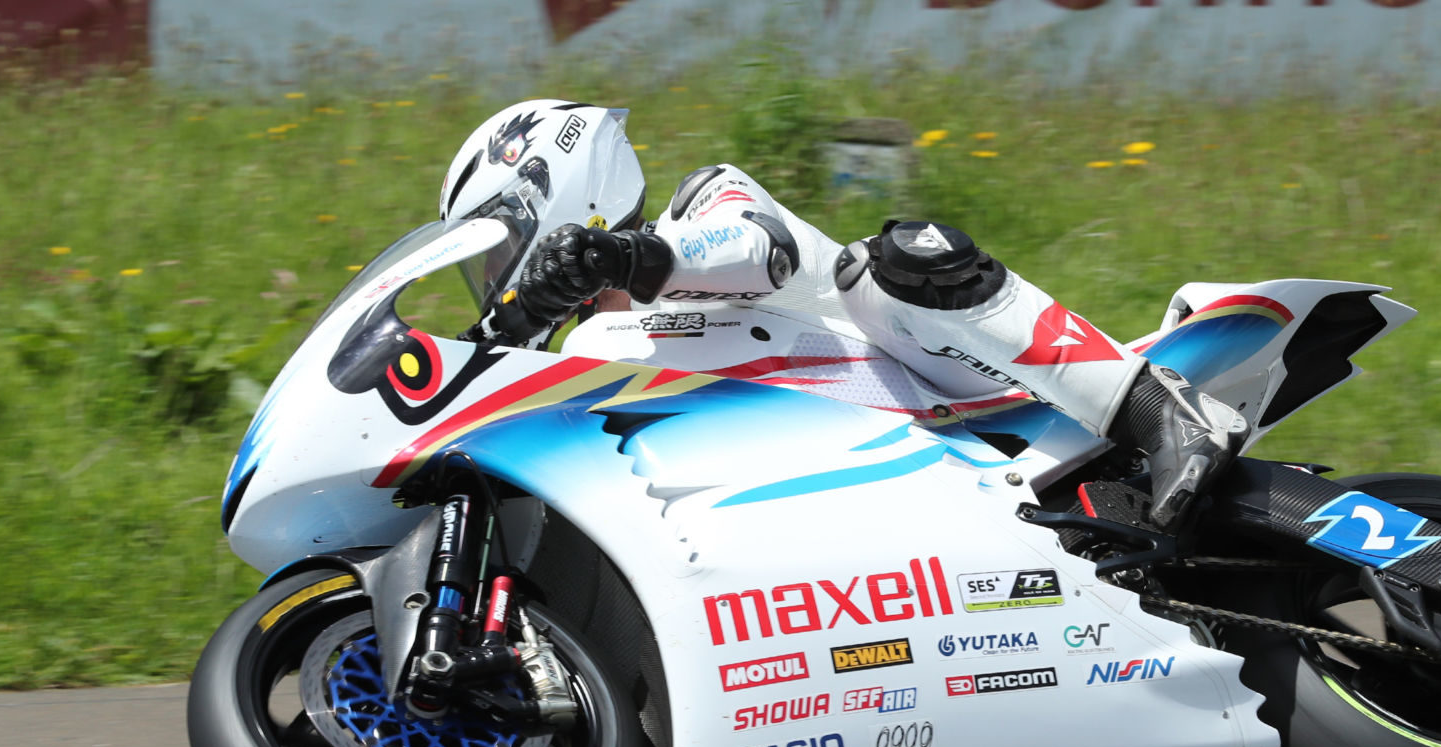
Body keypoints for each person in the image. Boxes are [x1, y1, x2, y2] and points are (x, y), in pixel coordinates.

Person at [439, 99, 1246, 532]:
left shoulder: (705, 205)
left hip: (969, 411)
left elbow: (765, 247)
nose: (499, 276)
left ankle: (1161, 412)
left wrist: (624, 260)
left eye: (500, 248)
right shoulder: (587, 353)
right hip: (834, 510)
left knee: (887, 262)